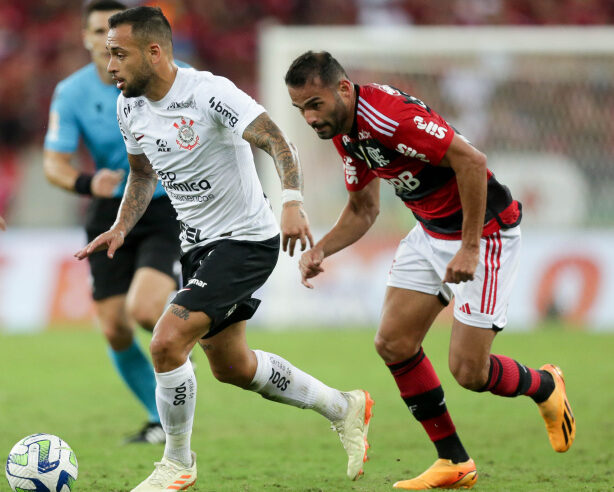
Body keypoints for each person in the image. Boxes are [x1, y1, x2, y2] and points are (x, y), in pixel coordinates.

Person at [75, 8, 373, 491]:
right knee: (233, 367)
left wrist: (292, 202)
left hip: (245, 241)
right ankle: (345, 406)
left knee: (167, 341)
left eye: (118, 53)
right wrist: (121, 227)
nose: (109, 65)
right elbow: (144, 174)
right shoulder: (128, 106)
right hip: (196, 246)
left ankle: (176, 464)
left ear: (154, 51)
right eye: (108, 53)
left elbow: (279, 142)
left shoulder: (209, 92)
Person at [285, 51, 575, 490]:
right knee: (394, 343)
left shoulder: (388, 117)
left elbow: (472, 162)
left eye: (314, 105)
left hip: (486, 233)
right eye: (300, 110)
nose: (309, 118)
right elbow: (364, 210)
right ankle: (454, 463)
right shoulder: (347, 136)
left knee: (470, 372)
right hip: (430, 231)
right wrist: (321, 249)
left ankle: (544, 385)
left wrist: (470, 247)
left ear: (342, 89)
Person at [43, 0, 182, 444]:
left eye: (115, 30)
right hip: (108, 209)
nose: (109, 39)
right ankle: (157, 420)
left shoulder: (162, 79)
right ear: (86, 38)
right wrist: (87, 183)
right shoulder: (72, 92)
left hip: (163, 205)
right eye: (99, 30)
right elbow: (54, 162)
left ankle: (183, 336)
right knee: (114, 326)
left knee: (143, 310)